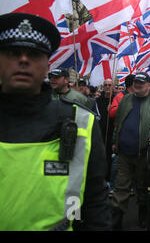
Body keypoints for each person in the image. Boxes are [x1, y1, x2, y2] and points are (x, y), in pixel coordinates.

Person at [0, 13, 110, 230]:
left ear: (47, 66)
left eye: (34, 54)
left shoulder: (81, 123)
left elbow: (95, 202)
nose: (23, 60)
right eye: (13, 53)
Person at [111, 72, 150, 230]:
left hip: (145, 152)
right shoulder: (125, 99)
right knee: (121, 187)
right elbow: (119, 122)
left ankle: (143, 214)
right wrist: (115, 141)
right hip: (124, 153)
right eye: (136, 82)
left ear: (149, 85)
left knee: (143, 186)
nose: (138, 85)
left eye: (141, 82)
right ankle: (117, 218)